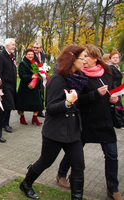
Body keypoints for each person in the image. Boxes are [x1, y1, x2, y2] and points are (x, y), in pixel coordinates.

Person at [19, 45, 88, 200]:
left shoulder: (78, 79)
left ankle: (77, 197)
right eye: (82, 58)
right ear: (72, 59)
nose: (84, 61)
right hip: (55, 131)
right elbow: (50, 108)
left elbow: (81, 99)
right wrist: (67, 103)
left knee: (79, 165)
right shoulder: (58, 79)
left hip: (73, 131)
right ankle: (26, 184)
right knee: (45, 162)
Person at [56, 44, 123, 200]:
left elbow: (112, 91)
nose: (83, 60)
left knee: (112, 156)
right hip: (85, 121)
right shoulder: (78, 75)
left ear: (95, 58)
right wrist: (95, 94)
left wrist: (114, 99)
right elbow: (76, 100)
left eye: (86, 56)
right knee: (74, 152)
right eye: (82, 57)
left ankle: (113, 189)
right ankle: (61, 174)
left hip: (105, 122)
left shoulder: (107, 72)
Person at [0, 38, 18, 133]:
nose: (14, 46)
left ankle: (4, 122)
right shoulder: (1, 56)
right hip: (5, 85)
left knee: (8, 105)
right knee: (7, 105)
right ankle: (4, 123)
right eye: (12, 44)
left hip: (12, 85)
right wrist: (0, 87)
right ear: (7, 45)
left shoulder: (12, 56)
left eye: (14, 44)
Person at [18, 48, 44, 125]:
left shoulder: (35, 63)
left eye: (32, 54)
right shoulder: (23, 63)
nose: (30, 56)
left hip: (34, 86)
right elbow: (22, 75)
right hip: (25, 86)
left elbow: (37, 72)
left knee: (37, 101)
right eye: (29, 54)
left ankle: (35, 118)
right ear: (26, 55)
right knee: (23, 102)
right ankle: (22, 117)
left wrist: (39, 75)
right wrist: (32, 76)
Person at [32, 42, 46, 118]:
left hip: (42, 78)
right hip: (34, 77)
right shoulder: (30, 55)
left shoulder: (43, 55)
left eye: (37, 48)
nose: (35, 49)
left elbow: (44, 64)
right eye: (34, 47)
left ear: (40, 48)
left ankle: (40, 111)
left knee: (42, 94)